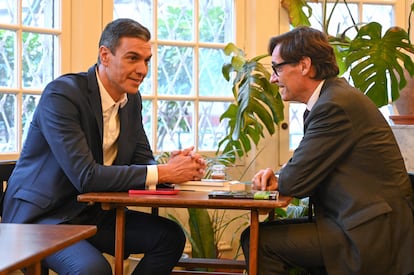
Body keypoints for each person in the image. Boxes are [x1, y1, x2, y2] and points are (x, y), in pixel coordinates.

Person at [1, 18, 207, 275]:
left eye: (147, 61)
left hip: (93, 213)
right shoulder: (62, 95)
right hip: (44, 218)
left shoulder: (131, 100)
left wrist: (178, 168)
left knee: (170, 237)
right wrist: (164, 172)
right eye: (133, 58)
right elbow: (85, 176)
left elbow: (143, 161)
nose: (143, 70)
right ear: (105, 55)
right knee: (93, 270)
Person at [240, 26, 414, 275]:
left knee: (261, 242)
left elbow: (296, 180)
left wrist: (279, 179)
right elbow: (304, 168)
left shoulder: (334, 105)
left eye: (277, 68)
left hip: (371, 232)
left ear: (304, 65)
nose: (273, 78)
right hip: (357, 222)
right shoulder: (331, 98)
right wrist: (279, 178)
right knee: (261, 237)